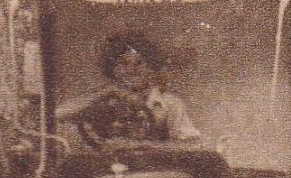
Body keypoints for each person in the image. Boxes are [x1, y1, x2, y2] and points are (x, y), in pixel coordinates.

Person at [61, 32, 202, 149]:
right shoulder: (102, 100)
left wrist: (139, 145)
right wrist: (106, 92)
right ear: (113, 69)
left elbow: (192, 144)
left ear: (151, 67)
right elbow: (58, 114)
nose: (132, 70)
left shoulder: (169, 103)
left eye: (140, 63)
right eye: (124, 63)